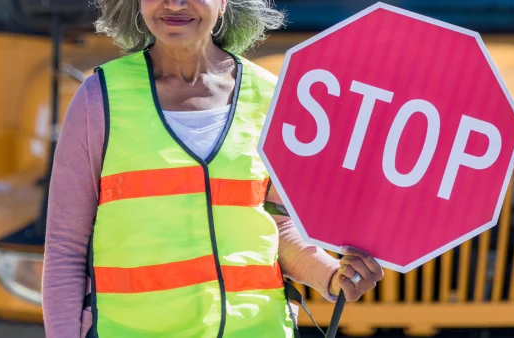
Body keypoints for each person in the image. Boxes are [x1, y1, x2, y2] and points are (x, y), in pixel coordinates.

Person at [41, 0, 384, 337]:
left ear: (223, 3)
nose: (174, 4)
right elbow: (66, 248)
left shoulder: (272, 96)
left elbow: (278, 229)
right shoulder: (98, 99)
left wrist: (332, 277)